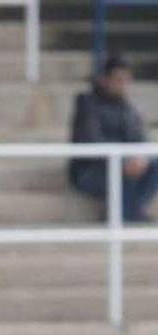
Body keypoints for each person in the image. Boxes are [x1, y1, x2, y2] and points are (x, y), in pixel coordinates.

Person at [69, 55, 158, 222]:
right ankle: (129, 213)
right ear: (105, 79)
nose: (122, 85)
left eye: (126, 80)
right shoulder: (87, 103)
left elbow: (139, 138)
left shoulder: (128, 107)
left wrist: (140, 158)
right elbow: (91, 141)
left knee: (152, 163)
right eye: (118, 79)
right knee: (123, 173)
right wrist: (124, 161)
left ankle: (125, 212)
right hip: (91, 170)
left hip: (123, 165)